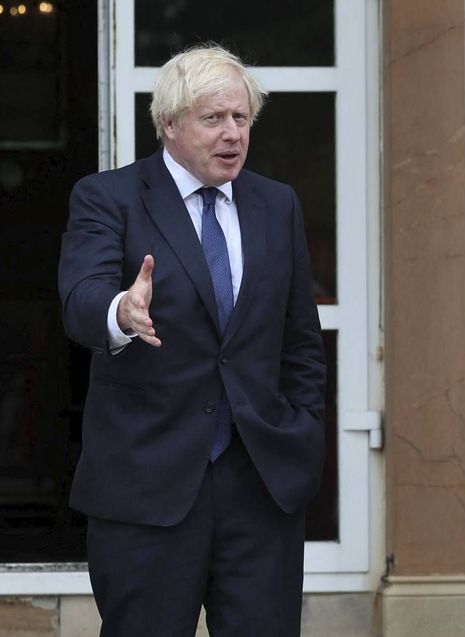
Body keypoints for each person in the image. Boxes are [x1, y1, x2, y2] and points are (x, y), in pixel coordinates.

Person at [57, 44, 326, 637]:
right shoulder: (109, 198)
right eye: (213, 119)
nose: (232, 134)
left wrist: (303, 425)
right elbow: (80, 302)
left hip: (259, 482)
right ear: (169, 125)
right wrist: (121, 312)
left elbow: (299, 338)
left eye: (241, 118)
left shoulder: (275, 203)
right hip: (147, 485)